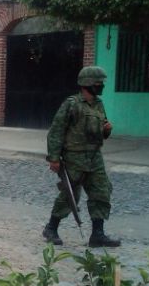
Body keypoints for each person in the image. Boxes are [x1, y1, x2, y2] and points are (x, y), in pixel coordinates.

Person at [42, 66, 121, 248]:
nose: (101, 86)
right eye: (98, 83)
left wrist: (107, 130)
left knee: (101, 191)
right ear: (87, 84)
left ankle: (97, 234)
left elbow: (100, 131)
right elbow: (56, 131)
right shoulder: (72, 104)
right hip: (74, 158)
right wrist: (54, 158)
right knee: (70, 195)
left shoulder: (99, 104)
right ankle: (51, 228)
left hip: (94, 156)